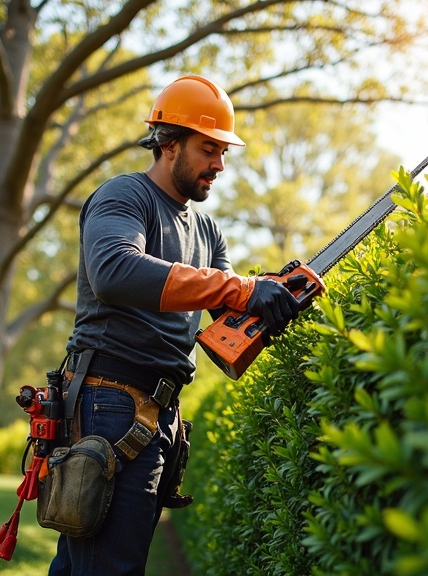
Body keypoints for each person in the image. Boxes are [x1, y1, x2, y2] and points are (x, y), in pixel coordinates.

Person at [48, 75, 301, 575]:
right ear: (169, 143)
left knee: (86, 564)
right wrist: (242, 288)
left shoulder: (208, 232)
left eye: (223, 151)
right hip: (110, 398)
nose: (219, 165)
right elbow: (114, 271)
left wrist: (275, 299)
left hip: (160, 409)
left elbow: (227, 320)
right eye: (208, 149)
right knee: (109, 566)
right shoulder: (124, 196)